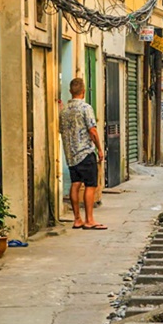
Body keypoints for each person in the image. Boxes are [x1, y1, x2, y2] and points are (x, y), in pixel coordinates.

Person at [60, 77, 107, 230]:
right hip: (85, 152)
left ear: (70, 91)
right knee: (90, 185)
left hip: (71, 155)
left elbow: (61, 130)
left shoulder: (64, 111)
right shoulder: (86, 108)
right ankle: (90, 220)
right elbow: (92, 130)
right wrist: (99, 148)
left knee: (75, 184)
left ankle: (77, 219)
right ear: (84, 91)